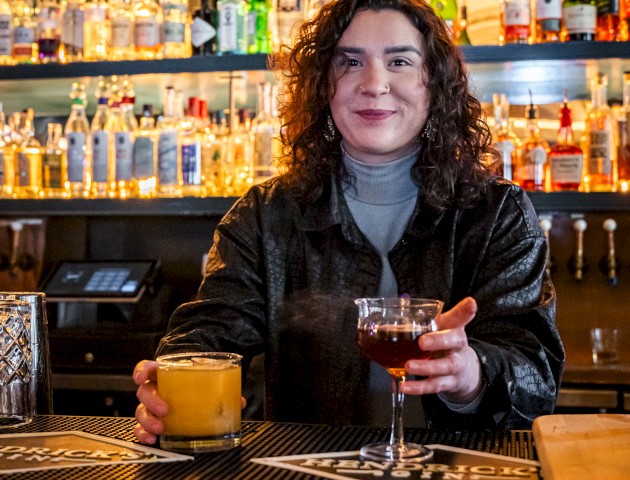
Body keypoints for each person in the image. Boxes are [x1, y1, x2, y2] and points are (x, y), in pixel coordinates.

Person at [134, 0, 565, 445]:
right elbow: (209, 332)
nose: (374, 84)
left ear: (433, 84)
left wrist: (472, 373)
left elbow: (536, 377)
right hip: (306, 469)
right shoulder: (266, 215)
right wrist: (169, 384)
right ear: (324, 85)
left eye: (399, 61)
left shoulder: (496, 213)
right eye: (350, 62)